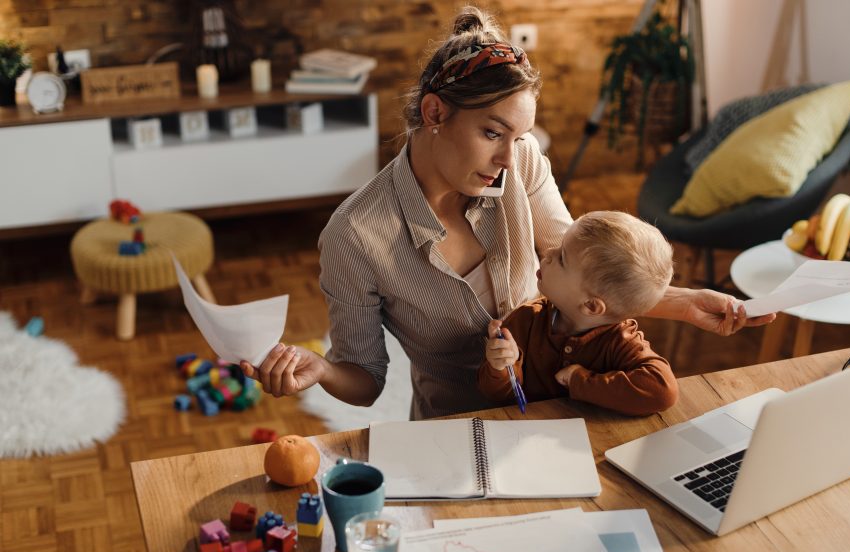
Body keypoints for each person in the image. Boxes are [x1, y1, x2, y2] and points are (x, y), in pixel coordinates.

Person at [241, 7, 774, 420]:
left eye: (517, 137)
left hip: (560, 415)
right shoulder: (355, 236)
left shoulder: (520, 162)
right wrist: (323, 371)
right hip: (455, 431)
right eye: (493, 133)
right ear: (434, 113)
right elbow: (367, 381)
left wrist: (680, 304)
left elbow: (582, 265)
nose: (507, 158)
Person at [479, 211, 678, 415]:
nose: (548, 253)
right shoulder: (525, 320)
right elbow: (495, 395)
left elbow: (662, 391)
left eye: (562, 258)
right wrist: (501, 367)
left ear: (591, 306)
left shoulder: (622, 340)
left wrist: (580, 381)